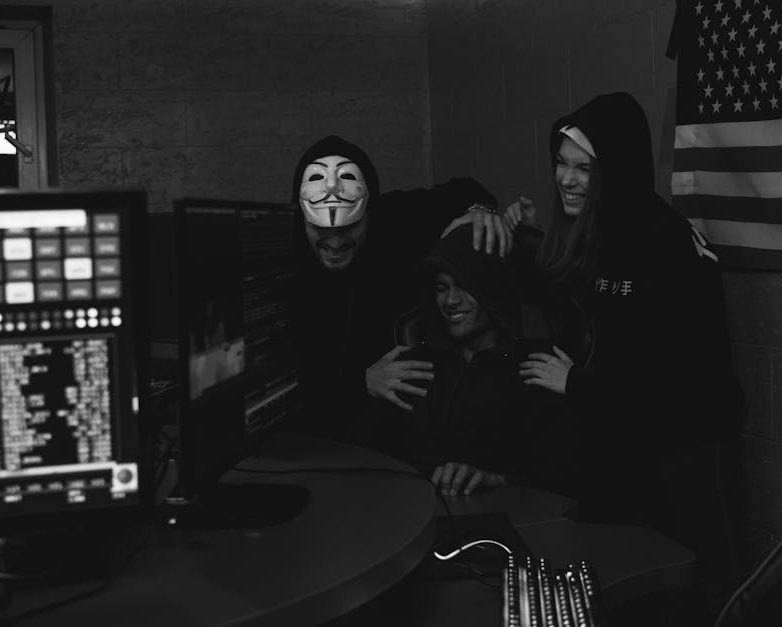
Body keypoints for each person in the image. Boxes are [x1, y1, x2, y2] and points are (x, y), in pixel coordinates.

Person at [506, 92, 745, 619]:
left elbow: (677, 381)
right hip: (635, 451)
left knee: (691, 594)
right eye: (561, 163)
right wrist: (505, 226)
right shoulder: (604, 230)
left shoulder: (662, 243)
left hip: (690, 455)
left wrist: (575, 383)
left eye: (584, 168)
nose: (566, 179)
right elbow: (571, 291)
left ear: (615, 170)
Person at [288, 135, 511, 444]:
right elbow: (294, 385)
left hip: (400, 422)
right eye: (321, 230)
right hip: (324, 427)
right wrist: (361, 382)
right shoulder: (281, 259)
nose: (336, 242)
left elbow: (466, 191)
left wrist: (479, 211)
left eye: (349, 227)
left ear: (370, 211)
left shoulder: (394, 218)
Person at [369, 223, 576, 497]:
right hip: (415, 510)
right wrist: (365, 384)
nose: (450, 300)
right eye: (441, 288)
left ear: (492, 289)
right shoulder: (411, 365)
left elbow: (561, 469)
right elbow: (374, 458)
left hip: (510, 513)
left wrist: (498, 480)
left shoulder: (538, 367)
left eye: (464, 286)